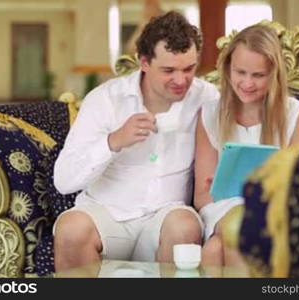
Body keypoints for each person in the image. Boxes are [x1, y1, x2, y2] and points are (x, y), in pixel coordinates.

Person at [53, 11, 220, 272]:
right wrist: (113, 141)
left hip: (166, 213)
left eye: (189, 69)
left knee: (185, 226)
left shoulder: (206, 97)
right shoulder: (106, 99)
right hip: (106, 214)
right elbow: (63, 181)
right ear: (144, 62)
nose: (181, 80)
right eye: (168, 70)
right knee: (71, 230)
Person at [194, 24, 299, 266]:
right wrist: (216, 186)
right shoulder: (209, 114)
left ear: (274, 74)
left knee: (214, 250)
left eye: (258, 75)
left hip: (273, 210)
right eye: (240, 72)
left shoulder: (297, 115)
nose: (247, 83)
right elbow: (201, 197)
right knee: (234, 233)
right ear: (228, 69)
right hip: (222, 209)